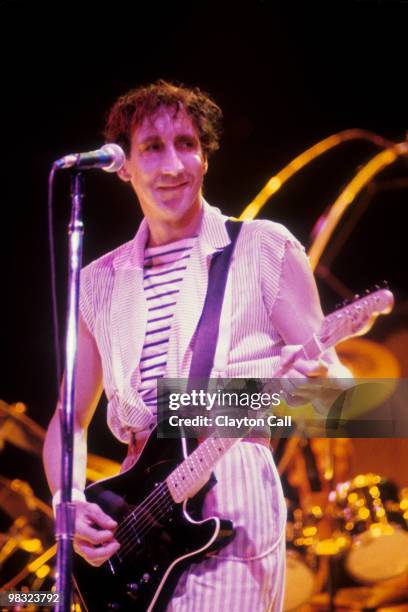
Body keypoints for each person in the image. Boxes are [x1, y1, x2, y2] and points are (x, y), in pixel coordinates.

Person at [43, 80, 350, 611]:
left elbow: (340, 397)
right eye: (152, 148)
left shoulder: (261, 247)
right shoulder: (97, 281)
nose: (173, 165)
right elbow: (67, 421)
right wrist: (67, 501)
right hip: (132, 517)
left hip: (233, 491)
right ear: (123, 166)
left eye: (187, 144)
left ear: (206, 157)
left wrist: (311, 385)